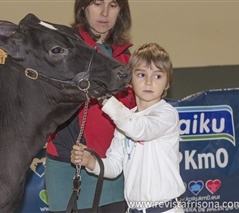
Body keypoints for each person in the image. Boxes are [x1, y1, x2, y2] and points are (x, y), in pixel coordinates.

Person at [71, 43, 186, 213]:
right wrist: (90, 161)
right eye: (141, 75)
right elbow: (113, 166)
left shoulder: (167, 114)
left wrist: (105, 99)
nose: (148, 82)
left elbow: (140, 129)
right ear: (130, 80)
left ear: (167, 84)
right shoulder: (126, 122)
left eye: (157, 76)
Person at [45, 0, 135, 212]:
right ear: (83, 7)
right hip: (71, 164)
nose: (104, 12)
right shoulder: (66, 47)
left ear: (121, 11)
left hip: (114, 168)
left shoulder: (126, 56)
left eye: (113, 5)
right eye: (97, 3)